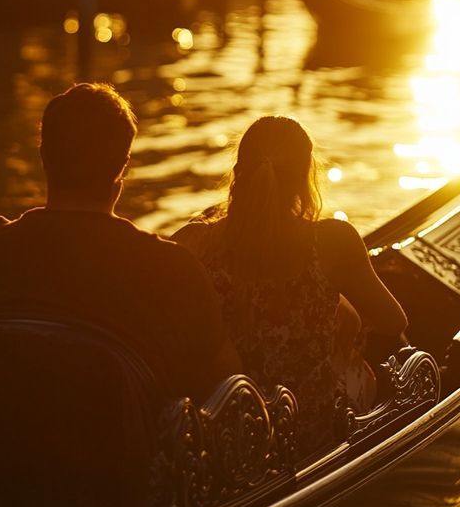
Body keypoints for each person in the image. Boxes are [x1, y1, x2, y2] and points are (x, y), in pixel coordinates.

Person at [0, 83, 240, 400]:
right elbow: (222, 381)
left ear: (44, 156)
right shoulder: (172, 269)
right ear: (122, 167)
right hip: (115, 447)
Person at [171, 116, 408, 457]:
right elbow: (393, 322)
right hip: (312, 430)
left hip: (225, 440)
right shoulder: (333, 242)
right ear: (304, 178)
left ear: (238, 173)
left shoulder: (192, 243)